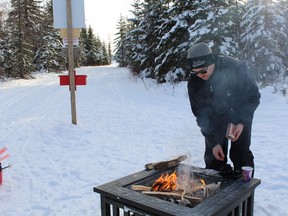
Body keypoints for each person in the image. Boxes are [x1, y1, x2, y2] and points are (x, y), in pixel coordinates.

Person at [187, 43, 260, 178]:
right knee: (213, 159)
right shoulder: (194, 83)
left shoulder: (235, 67)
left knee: (241, 154)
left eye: (203, 71)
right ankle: (215, 193)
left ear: (211, 62)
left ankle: (245, 193)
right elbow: (200, 114)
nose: (200, 75)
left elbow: (253, 96)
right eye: (195, 72)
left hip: (239, 113)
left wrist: (242, 122)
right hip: (214, 120)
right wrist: (213, 142)